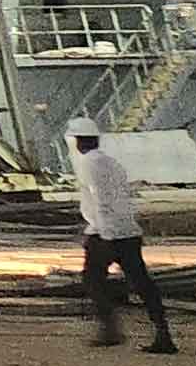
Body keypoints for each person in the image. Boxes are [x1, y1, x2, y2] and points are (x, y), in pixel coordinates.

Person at [68, 115, 176, 352]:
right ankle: (163, 333)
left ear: (78, 141)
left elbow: (101, 200)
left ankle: (110, 329)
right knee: (142, 283)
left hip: (106, 233)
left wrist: (106, 234)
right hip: (127, 230)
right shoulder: (112, 163)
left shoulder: (88, 164)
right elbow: (122, 197)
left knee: (92, 280)